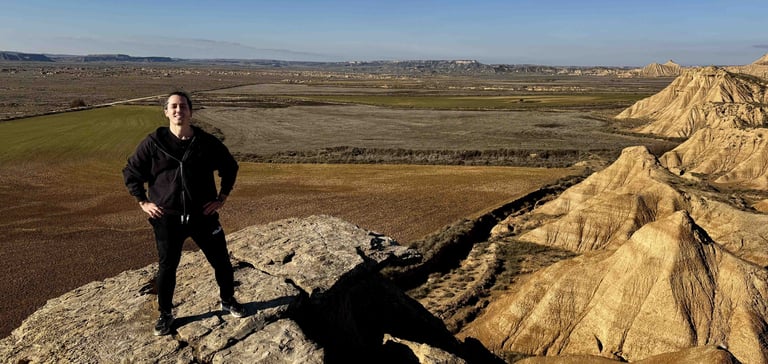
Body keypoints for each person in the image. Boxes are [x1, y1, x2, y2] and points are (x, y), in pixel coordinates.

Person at [123, 91, 246, 336]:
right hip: (167, 218)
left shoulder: (206, 142)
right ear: (166, 112)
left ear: (190, 111)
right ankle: (165, 314)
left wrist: (222, 198)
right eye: (174, 107)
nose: (179, 111)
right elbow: (131, 172)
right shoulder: (153, 142)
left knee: (221, 260)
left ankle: (228, 299)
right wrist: (143, 202)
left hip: (203, 215)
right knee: (167, 267)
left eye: (183, 106)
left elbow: (230, 167)